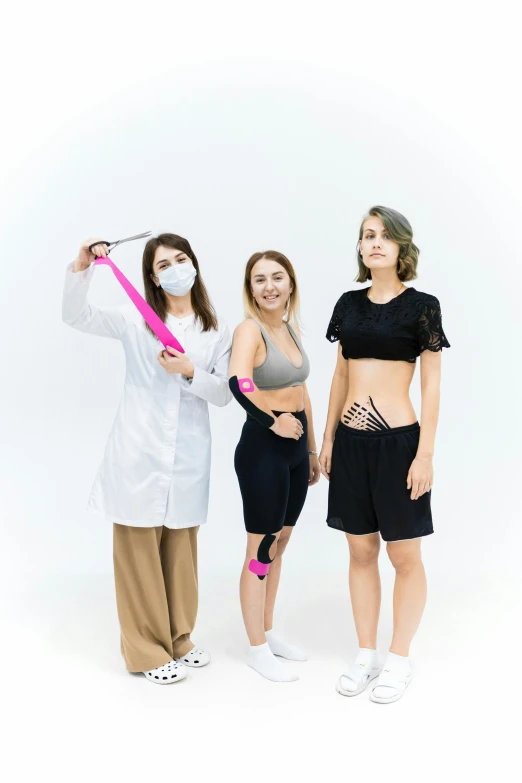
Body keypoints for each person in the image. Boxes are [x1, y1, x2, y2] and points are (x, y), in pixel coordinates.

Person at [62, 233, 232, 684]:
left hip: (189, 455)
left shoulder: (217, 329)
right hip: (138, 451)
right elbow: (75, 315)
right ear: (153, 279)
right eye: (163, 265)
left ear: (193, 263)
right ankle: (145, 651)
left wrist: (190, 371)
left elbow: (225, 394)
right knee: (138, 553)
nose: (176, 269)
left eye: (181, 259)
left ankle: (178, 638)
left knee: (180, 549)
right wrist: (82, 267)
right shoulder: (134, 320)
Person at [320, 206, 450, 703]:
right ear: (359, 247)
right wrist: (329, 439)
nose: (375, 242)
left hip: (399, 445)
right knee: (359, 550)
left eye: (384, 236)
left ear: (401, 246)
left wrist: (426, 454)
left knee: (404, 554)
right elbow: (339, 375)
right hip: (351, 446)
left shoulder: (422, 306)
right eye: (367, 235)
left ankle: (399, 657)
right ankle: (365, 652)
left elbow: (433, 385)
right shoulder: (347, 304)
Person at [228, 250, 320, 682]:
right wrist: (272, 421)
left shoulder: (290, 329)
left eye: (277, 277)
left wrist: (313, 451)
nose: (269, 286)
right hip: (263, 449)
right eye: (260, 280)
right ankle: (255, 648)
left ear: (290, 284)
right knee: (261, 550)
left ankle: (267, 630)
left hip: (295, 450)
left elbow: (302, 391)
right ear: (251, 289)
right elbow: (239, 382)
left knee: (280, 544)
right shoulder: (251, 329)